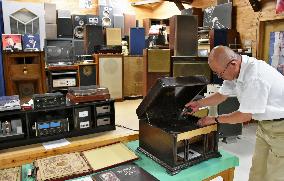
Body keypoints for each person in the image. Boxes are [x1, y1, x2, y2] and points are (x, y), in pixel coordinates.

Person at [185, 46, 284, 181]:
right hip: (265, 126)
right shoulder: (236, 70)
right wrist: (199, 104)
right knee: (257, 172)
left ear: (233, 64)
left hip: (281, 128)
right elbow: (221, 95)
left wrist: (214, 119)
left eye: (220, 73)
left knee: (275, 175)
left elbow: (245, 115)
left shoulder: (255, 77)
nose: (220, 76)